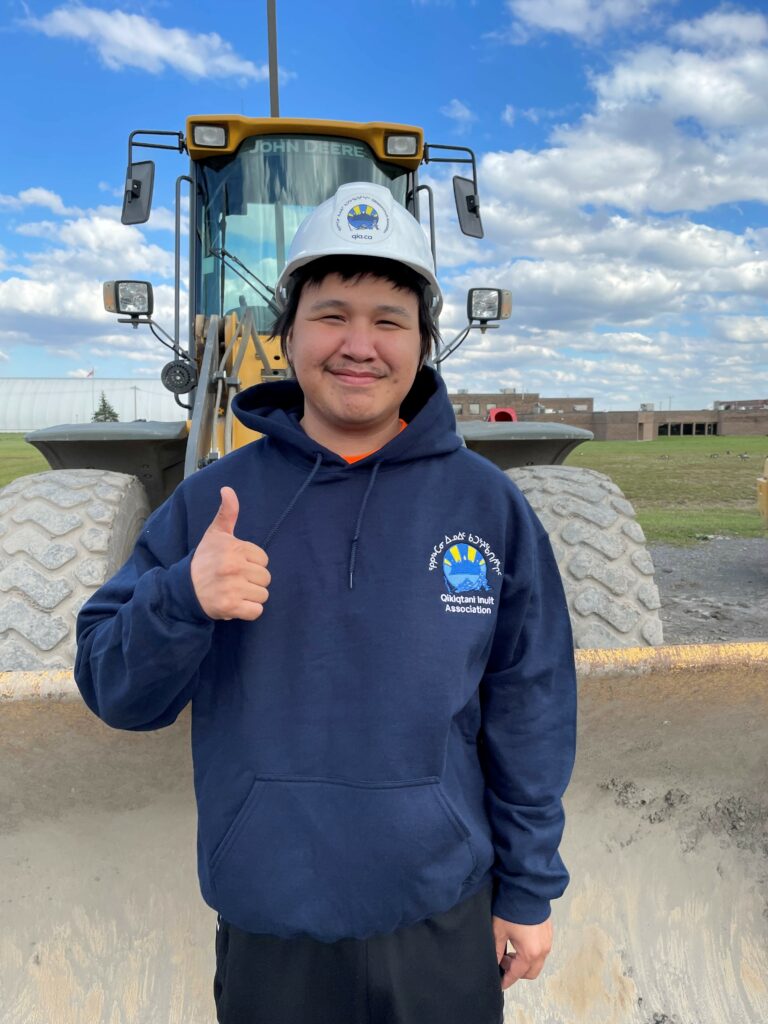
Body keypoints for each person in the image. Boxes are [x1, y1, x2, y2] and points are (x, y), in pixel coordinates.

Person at [75, 181, 577, 1024]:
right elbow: (114, 690)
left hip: (442, 917)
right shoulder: (210, 502)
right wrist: (183, 597)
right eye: (331, 313)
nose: (359, 344)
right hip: (273, 924)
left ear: (424, 343)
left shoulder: (489, 508)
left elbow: (532, 705)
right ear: (287, 335)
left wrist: (527, 889)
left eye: (389, 319)